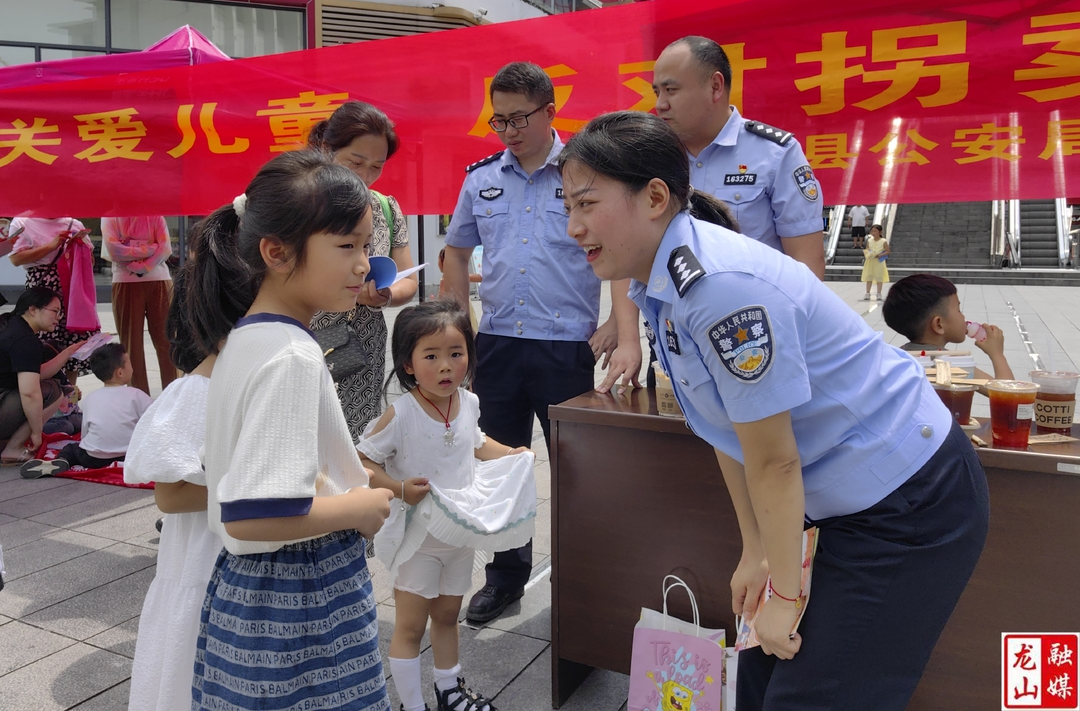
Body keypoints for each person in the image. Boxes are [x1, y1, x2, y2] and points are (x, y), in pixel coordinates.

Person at [558, 110, 989, 710]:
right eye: (567, 205)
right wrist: (756, 553)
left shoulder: (718, 287)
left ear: (655, 197)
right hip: (834, 504)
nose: (573, 226)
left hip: (908, 502)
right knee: (759, 681)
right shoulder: (659, 282)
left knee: (811, 695)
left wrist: (785, 594)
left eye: (585, 203)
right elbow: (729, 435)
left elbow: (775, 462)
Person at [188, 150, 394, 711]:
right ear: (277, 252)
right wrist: (363, 507)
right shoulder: (293, 357)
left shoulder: (247, 338)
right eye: (347, 246)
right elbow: (255, 513)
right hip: (299, 593)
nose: (364, 265)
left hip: (249, 592)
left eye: (366, 245)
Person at [443, 61, 643, 624]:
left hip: (565, 347)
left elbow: (621, 250)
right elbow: (456, 251)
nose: (507, 129)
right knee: (500, 468)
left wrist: (622, 328)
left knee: (578, 472)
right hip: (499, 347)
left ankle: (585, 587)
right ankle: (505, 579)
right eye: (497, 119)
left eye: (518, 118)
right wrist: (460, 324)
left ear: (550, 112)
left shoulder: (584, 172)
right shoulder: (481, 177)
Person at [359, 299, 536, 711]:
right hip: (418, 538)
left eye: (456, 354)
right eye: (431, 356)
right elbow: (363, 462)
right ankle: (411, 703)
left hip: (459, 531)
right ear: (407, 364)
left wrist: (512, 453)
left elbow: (475, 443)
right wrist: (399, 487)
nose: (445, 366)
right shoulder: (399, 415)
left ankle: (449, 690)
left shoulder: (468, 403)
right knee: (409, 625)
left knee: (447, 615)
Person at [124, 257, 233, 711]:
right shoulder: (197, 391)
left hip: (233, 555)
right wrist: (264, 484)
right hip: (202, 560)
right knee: (192, 664)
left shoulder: (239, 382)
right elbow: (170, 494)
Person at [652, 36, 826, 280]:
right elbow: (631, 249)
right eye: (657, 92)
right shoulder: (653, 157)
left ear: (715, 86)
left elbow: (807, 265)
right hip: (676, 316)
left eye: (671, 90)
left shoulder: (776, 155)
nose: (660, 104)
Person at [308, 101, 419, 441]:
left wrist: (385, 296)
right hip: (307, 337)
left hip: (363, 346)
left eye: (376, 166)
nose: (365, 176)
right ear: (328, 148)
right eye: (356, 162)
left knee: (356, 440)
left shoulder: (386, 208)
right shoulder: (300, 202)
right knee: (303, 435)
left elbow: (409, 280)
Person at [21, 342, 151, 478]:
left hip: (94, 459)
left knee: (71, 449)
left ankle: (62, 460)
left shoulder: (90, 398)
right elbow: (153, 421)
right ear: (120, 372)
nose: (132, 367)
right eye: (129, 364)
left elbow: (85, 434)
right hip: (129, 456)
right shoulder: (137, 395)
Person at [8, 217, 101, 385]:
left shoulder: (74, 223)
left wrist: (78, 247)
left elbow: (90, 261)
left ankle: (69, 396)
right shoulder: (22, 222)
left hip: (72, 287)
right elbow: (16, 259)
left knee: (72, 344)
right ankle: (44, 392)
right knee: (43, 343)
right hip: (43, 286)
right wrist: (51, 246)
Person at [0, 287, 80, 464]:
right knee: (52, 390)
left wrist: (68, 353)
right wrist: (36, 433)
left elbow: (36, 372)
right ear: (33, 309)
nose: (58, 318)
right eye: (55, 311)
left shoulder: (10, 324)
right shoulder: (25, 340)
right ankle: (14, 448)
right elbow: (30, 392)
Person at [883, 273, 1015, 379]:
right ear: (939, 324)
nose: (963, 317)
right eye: (958, 310)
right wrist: (997, 354)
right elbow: (1007, 393)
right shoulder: (950, 363)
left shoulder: (898, 356)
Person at [101, 216, 177, 396]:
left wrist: (139, 265)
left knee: (167, 341)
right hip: (126, 281)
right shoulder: (111, 216)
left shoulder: (156, 216)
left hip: (157, 279)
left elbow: (165, 249)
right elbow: (113, 250)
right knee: (131, 343)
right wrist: (150, 249)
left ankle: (173, 394)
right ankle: (138, 397)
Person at [860, 224, 890, 301]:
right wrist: (869, 253)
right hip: (870, 261)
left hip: (879, 262)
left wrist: (880, 255)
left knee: (879, 277)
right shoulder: (870, 241)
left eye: (875, 231)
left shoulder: (883, 241)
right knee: (869, 276)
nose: (873, 233)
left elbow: (887, 251)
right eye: (872, 231)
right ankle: (867, 293)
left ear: (880, 232)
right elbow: (867, 249)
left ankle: (879, 293)